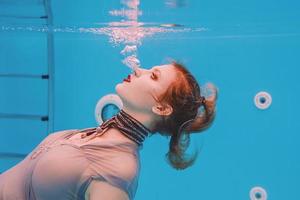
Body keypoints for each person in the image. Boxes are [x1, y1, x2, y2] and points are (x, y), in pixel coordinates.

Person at [0, 61, 218, 200]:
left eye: (153, 76)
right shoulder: (97, 134)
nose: (138, 69)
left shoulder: (118, 171)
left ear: (161, 108)